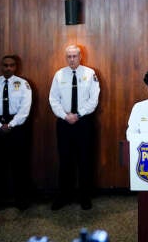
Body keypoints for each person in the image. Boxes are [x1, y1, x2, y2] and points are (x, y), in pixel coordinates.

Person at [49, 45, 101, 211]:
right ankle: (64, 196)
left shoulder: (89, 74)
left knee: (85, 160)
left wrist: (78, 114)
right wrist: (65, 116)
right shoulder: (59, 74)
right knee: (65, 160)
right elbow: (53, 99)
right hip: (64, 123)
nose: (71, 59)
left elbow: (93, 100)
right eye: (69, 56)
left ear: (80, 57)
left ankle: (84, 197)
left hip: (84, 122)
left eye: (74, 56)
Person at [0, 54, 33, 210]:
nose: (8, 68)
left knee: (20, 166)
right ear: (1, 66)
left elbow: (25, 109)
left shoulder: (23, 84)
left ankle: (21, 200)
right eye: (5, 65)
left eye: (11, 65)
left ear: (16, 67)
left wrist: (11, 124)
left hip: (17, 129)